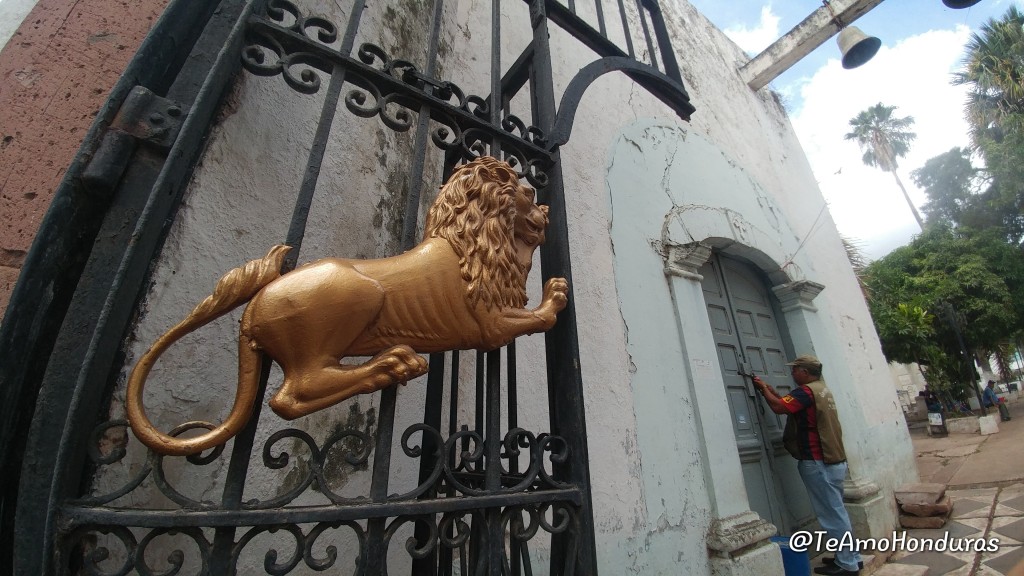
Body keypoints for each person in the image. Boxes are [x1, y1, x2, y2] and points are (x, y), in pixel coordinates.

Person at [751, 355, 863, 576]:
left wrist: (764, 390)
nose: (793, 374)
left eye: (795, 370)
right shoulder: (822, 390)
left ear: (805, 371)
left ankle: (848, 564)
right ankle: (849, 557)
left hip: (817, 462)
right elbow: (790, 405)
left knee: (831, 515)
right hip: (833, 461)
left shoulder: (806, 391)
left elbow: (780, 408)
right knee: (837, 512)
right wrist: (773, 393)